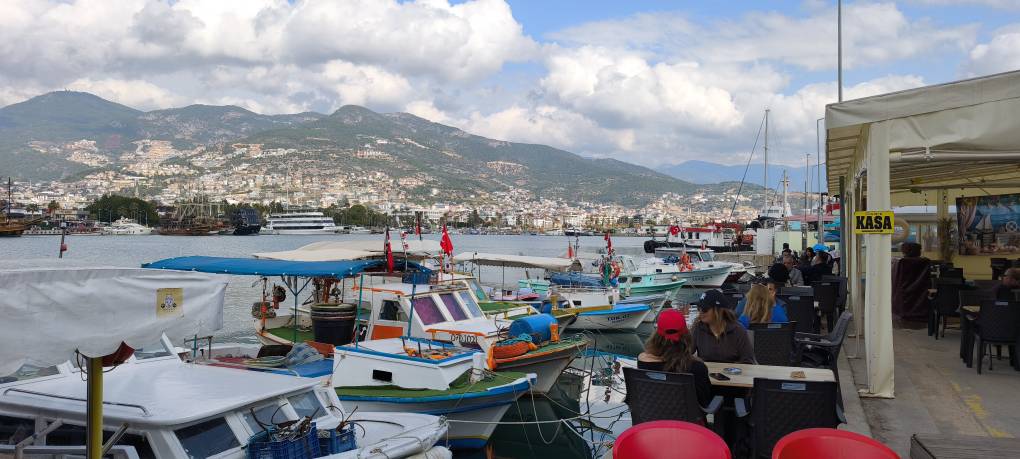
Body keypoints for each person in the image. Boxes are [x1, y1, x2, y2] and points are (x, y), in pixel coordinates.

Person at [638, 308, 712, 406]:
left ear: (656, 336)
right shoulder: (697, 368)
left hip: (651, 420)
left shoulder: (643, 362)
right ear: (686, 336)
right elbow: (705, 403)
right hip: (688, 421)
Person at [692, 289, 755, 364]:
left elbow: (748, 360)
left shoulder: (738, 330)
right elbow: (686, 353)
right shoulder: (698, 328)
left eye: (705, 309)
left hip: (732, 374)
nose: (700, 312)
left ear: (718, 311)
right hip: (705, 373)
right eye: (698, 308)